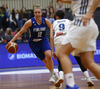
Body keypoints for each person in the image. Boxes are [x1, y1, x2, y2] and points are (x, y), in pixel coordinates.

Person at [7, 4, 58, 84]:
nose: (37, 14)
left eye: (39, 12)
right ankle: (54, 72)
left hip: (43, 40)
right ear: (34, 13)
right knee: (45, 61)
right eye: (35, 12)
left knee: (48, 56)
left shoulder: (46, 21)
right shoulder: (29, 22)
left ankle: (52, 76)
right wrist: (11, 41)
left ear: (41, 13)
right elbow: (20, 32)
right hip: (34, 44)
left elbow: (53, 29)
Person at [55, 0, 100, 89]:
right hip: (90, 25)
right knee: (88, 63)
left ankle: (71, 85)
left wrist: (89, 12)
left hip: (81, 23)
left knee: (61, 53)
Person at [50, 10, 94, 88]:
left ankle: (60, 77)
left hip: (58, 39)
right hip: (69, 38)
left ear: (56, 17)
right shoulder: (68, 21)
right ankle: (88, 78)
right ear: (64, 16)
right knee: (79, 59)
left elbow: (51, 37)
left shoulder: (53, 23)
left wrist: (53, 51)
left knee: (61, 59)